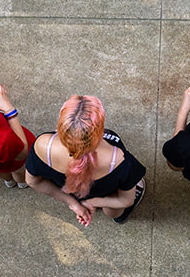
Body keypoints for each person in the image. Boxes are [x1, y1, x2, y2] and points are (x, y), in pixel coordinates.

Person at [26, 95, 146, 226]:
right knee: (113, 211)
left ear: (61, 126)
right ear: (100, 132)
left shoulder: (42, 145)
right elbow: (125, 201)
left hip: (72, 194)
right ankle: (117, 216)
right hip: (106, 192)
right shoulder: (120, 160)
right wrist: (93, 202)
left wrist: (73, 204)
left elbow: (32, 181)